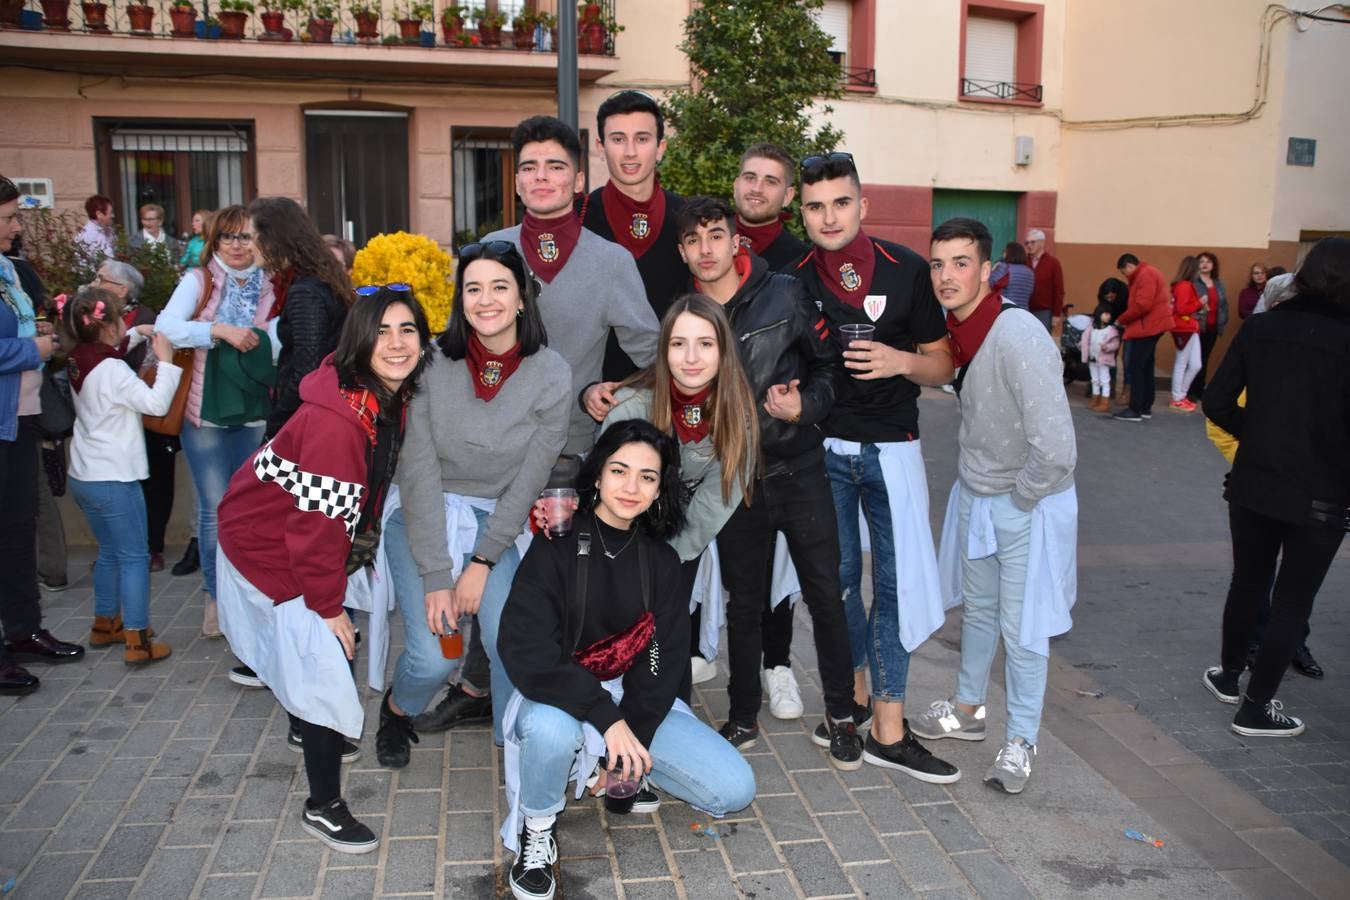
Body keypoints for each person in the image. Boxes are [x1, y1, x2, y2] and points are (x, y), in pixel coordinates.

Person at [413, 116, 658, 735]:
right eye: (528, 167)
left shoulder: (611, 262)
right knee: (480, 573)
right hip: (483, 458)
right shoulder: (490, 251)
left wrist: (615, 387)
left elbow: (658, 354)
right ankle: (477, 685)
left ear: (580, 179)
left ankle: (551, 705)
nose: (541, 177)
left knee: (545, 589)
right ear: (516, 181)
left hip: (565, 458)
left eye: (555, 166)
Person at [499, 419, 756, 900]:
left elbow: (662, 659)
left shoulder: (660, 562)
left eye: (647, 476)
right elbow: (526, 648)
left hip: (627, 695)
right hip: (558, 690)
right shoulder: (555, 540)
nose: (631, 487)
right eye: (619, 470)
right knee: (553, 730)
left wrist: (631, 732)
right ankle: (537, 830)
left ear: (660, 489)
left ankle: (620, 767)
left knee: (734, 788)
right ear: (597, 475)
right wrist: (604, 717)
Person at [216, 288, 430, 854]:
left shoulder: (378, 395)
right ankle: (324, 805)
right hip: (269, 547)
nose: (396, 343)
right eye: (381, 331)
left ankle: (307, 721)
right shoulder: (339, 423)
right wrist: (329, 609)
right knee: (325, 662)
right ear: (357, 339)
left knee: (314, 655)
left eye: (408, 330)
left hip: (287, 535)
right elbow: (315, 533)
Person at [792, 153, 960, 783]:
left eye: (840, 202)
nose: (828, 216)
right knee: (833, 587)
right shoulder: (794, 279)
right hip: (823, 453)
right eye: (815, 206)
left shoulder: (908, 270)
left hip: (894, 448)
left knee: (895, 586)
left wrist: (899, 362)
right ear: (801, 213)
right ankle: (854, 699)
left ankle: (890, 728)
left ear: (862, 205)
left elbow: (943, 364)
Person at [672, 197, 859, 757]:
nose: (706, 249)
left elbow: (830, 368)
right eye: (693, 240)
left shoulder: (785, 293)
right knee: (743, 603)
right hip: (734, 480)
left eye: (715, 236)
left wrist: (804, 405)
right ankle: (743, 716)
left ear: (737, 241)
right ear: (682, 250)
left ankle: (844, 716)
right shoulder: (684, 313)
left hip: (799, 469)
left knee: (826, 594)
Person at [380, 241, 572, 768]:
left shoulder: (552, 372)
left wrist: (483, 561)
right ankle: (398, 710)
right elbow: (417, 469)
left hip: (496, 518)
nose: (485, 300)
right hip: (422, 511)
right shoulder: (432, 362)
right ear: (460, 299)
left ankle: (522, 750)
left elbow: (530, 478)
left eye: (499, 287)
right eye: (473, 288)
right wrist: (439, 573)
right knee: (431, 656)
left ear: (521, 298)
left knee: (511, 636)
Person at [912, 217, 1077, 795]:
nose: (946, 276)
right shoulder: (962, 332)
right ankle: (968, 709)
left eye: (961, 263)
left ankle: (1023, 739)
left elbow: (1057, 448)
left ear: (987, 270)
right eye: (937, 264)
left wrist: (1020, 500)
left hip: (1023, 502)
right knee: (979, 612)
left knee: (1023, 626)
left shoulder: (1017, 334)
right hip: (980, 494)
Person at [1201, 236, 1349, 737]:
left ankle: (1228, 676)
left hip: (1254, 483)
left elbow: (1217, 401)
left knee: (1248, 581)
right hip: (1322, 494)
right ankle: (1256, 706)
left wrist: (1260, 438)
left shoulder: (1261, 327)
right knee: (1292, 601)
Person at [600, 295, 758, 696]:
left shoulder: (736, 410)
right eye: (678, 343)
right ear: (663, 349)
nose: (691, 357)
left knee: (666, 638)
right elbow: (605, 491)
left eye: (705, 344)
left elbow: (721, 492)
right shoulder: (630, 408)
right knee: (616, 632)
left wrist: (672, 553)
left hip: (683, 537)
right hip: (623, 536)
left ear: (723, 350)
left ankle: (669, 713)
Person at [155, 204, 278, 638]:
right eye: (229, 237)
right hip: (204, 415)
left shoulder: (269, 286)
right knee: (213, 511)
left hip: (251, 412)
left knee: (248, 510)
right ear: (215, 241)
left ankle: (246, 594)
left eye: (246, 236)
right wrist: (218, 331)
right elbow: (166, 328)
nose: (238, 246)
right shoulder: (200, 280)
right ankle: (214, 599)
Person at [1204, 271, 1323, 680]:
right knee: (1260, 582)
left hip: (1297, 483)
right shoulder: (1261, 344)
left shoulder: (1318, 348)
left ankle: (1288, 648)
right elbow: (1219, 415)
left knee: (1286, 590)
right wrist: (1255, 450)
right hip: (1265, 476)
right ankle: (1249, 659)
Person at [61, 286, 180, 663]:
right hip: (114, 477)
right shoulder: (112, 370)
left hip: (84, 474)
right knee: (134, 556)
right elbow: (156, 403)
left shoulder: (80, 356)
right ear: (107, 324)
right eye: (121, 318)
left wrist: (134, 334)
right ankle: (138, 641)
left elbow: (109, 353)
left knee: (110, 552)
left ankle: (105, 623)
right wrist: (166, 362)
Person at [1, 174, 84, 695]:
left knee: (18, 531)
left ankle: (24, 630)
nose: (15, 226)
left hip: (22, 417)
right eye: (8, 218)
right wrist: (32, 350)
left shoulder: (11, 269)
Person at [577, 91, 687, 381]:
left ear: (660, 147)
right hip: (593, 395)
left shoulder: (689, 218)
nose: (629, 152)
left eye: (642, 139)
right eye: (617, 139)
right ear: (600, 147)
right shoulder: (575, 217)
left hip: (673, 388)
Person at [89, 259, 178, 572]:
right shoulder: (98, 317)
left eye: (101, 278)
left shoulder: (145, 318)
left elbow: (137, 363)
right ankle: (121, 550)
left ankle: (152, 547)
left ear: (122, 289)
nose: (93, 283)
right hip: (118, 415)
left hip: (146, 412)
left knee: (156, 481)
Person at [251, 197, 354, 441]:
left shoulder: (305, 290)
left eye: (251, 236)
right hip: (318, 413)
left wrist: (276, 429)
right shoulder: (313, 280)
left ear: (272, 237)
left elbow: (306, 372)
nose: (248, 245)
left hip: (309, 420)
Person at [1112, 253, 1172, 422]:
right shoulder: (1148, 272)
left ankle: (1135, 408)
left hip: (1147, 327)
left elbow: (1142, 305)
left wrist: (1122, 319)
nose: (1125, 276)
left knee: (1136, 366)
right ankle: (1145, 406)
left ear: (1130, 266)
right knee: (1146, 365)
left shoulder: (1145, 275)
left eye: (1124, 272)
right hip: (1153, 325)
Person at [732, 142, 807, 272]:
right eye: (750, 178)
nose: (757, 189)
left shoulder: (802, 261)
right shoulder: (701, 242)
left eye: (771, 182)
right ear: (736, 186)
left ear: (787, 196)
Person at [1188, 251, 1229, 403]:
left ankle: (1199, 390)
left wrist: (1223, 321)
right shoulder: (1194, 282)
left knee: (1204, 359)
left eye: (1208, 261)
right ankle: (1190, 391)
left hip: (1212, 328)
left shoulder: (1218, 283)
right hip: (1198, 327)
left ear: (1213, 265)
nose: (1205, 264)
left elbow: (1224, 305)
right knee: (1194, 360)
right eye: (1202, 261)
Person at [1168, 255, 1204, 413]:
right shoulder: (1184, 286)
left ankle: (1180, 395)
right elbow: (1182, 309)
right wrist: (1199, 303)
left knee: (1196, 364)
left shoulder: (1183, 285)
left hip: (1190, 327)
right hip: (1185, 328)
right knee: (1182, 363)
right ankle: (1177, 398)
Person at [1081, 302, 1120, 411]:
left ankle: (1104, 401)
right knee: (1095, 380)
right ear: (1099, 314)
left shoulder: (1111, 330)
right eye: (1105, 314)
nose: (1108, 316)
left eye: (1109, 314)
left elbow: (1115, 344)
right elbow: (1085, 340)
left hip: (1104, 360)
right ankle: (1095, 398)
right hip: (1093, 358)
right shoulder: (1092, 328)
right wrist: (1083, 348)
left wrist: (1107, 347)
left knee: (1104, 380)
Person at [1097, 277, 1130, 404]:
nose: (1110, 300)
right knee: (1109, 355)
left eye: (1112, 297)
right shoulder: (1103, 299)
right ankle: (1108, 387)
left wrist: (1121, 322)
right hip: (1111, 326)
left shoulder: (1126, 295)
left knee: (1127, 357)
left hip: (1126, 325)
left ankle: (1126, 392)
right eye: (1107, 298)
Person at [1024, 228, 1064, 333]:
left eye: (1032, 242)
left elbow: (1059, 290)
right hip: (1025, 310)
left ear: (1041, 243)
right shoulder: (1024, 261)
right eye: (1027, 243)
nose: (1029, 245)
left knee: (1041, 344)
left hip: (1044, 312)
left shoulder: (1053, 263)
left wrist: (1056, 314)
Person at [990, 241, 1034, 311]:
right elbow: (1030, 294)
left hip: (1007, 309)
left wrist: (993, 270)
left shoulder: (1003, 267)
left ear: (1009, 253)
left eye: (1004, 251)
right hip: (1024, 311)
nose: (1003, 253)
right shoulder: (1030, 273)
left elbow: (989, 284)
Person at [76, 194, 116, 263]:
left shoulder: (107, 231)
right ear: (99, 214)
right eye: (110, 213)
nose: (113, 216)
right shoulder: (89, 235)